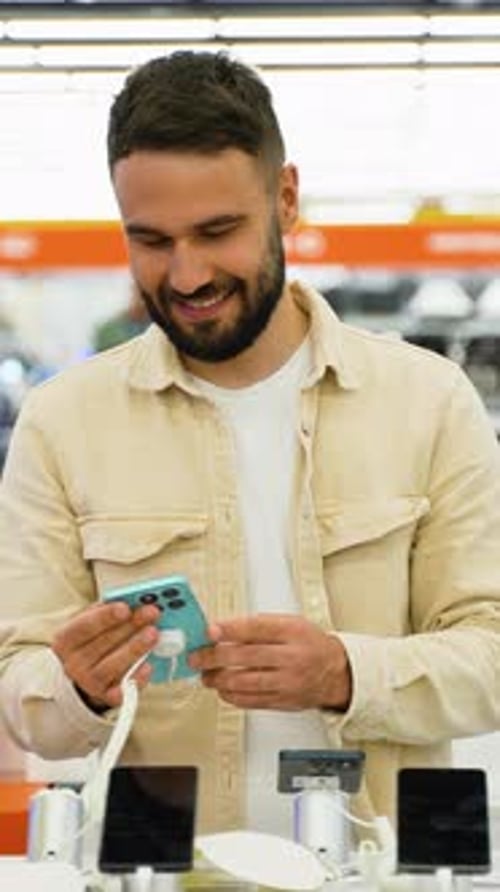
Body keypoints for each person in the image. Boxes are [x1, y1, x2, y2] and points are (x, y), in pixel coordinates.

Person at [0, 50, 499, 841]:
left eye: (218, 231)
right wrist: (75, 689)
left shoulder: (426, 402)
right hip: (161, 865)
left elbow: (492, 655)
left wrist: (344, 672)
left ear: (286, 199)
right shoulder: (65, 422)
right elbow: (23, 694)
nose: (186, 273)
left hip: (385, 862)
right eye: (151, 240)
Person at [92, 283, 149, 353]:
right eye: (141, 294)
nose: (143, 301)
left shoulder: (158, 326)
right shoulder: (109, 329)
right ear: (133, 292)